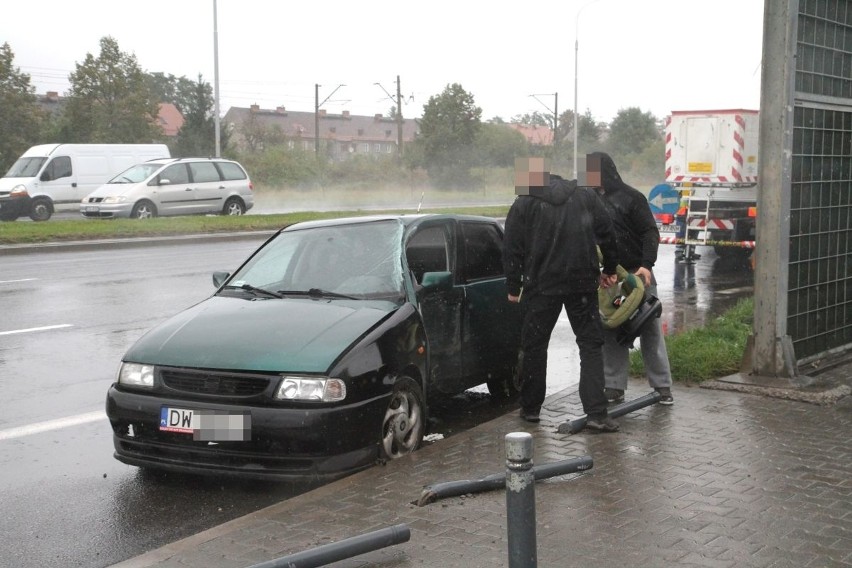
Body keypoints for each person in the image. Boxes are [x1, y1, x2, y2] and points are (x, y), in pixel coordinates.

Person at [503, 157, 621, 432]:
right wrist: (610, 267)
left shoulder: (524, 203)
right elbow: (607, 232)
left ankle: (531, 409)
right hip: (581, 284)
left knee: (535, 346)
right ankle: (596, 413)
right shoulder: (584, 196)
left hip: (542, 286)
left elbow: (511, 248)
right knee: (590, 345)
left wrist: (513, 286)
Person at [586, 151, 675, 405]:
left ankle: (662, 387)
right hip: (612, 281)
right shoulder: (590, 200)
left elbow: (650, 232)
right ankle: (613, 386)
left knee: (650, 329)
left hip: (639, 276)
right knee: (612, 329)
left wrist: (647, 266)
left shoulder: (632, 198)